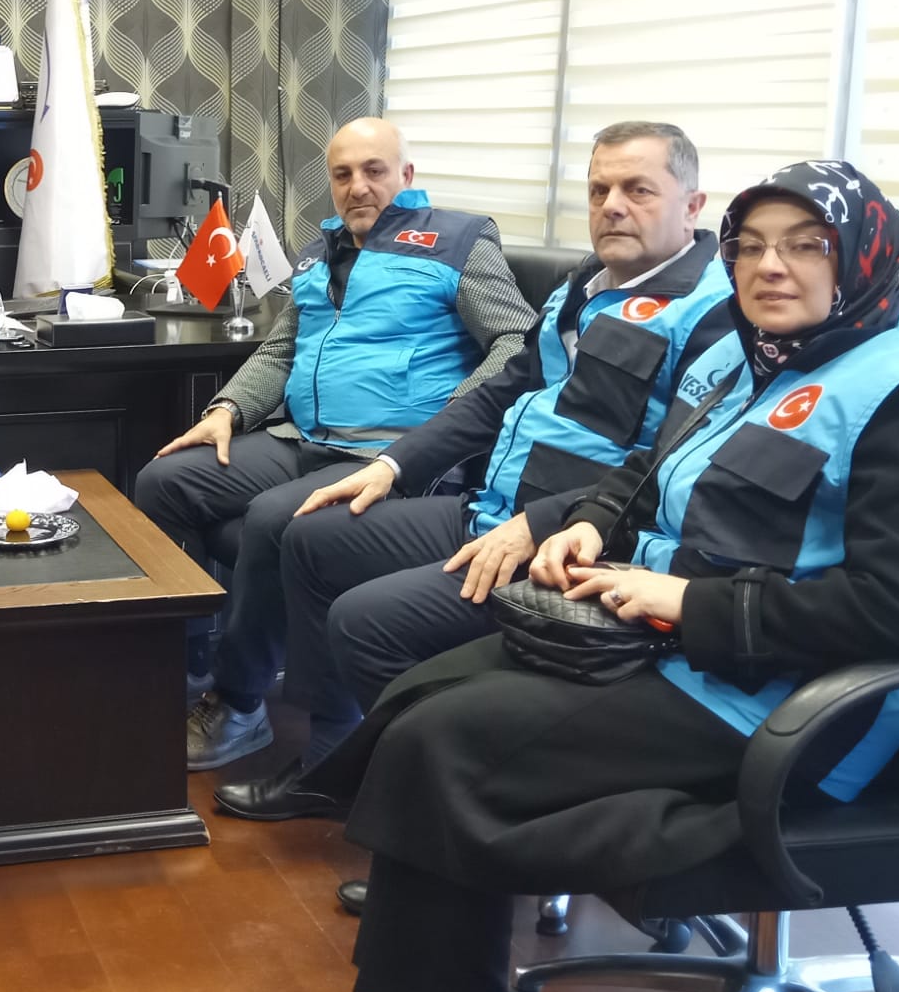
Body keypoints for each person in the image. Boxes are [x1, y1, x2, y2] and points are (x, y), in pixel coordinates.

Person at [307, 160, 899, 992]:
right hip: (669, 649)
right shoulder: (750, 353)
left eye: (805, 246)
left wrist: (690, 601)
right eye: (751, 248)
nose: (770, 267)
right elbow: (647, 470)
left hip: (793, 704)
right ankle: (421, 990)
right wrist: (591, 524)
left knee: (449, 742)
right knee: (421, 697)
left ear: (860, 256)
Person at [215, 123, 733, 820]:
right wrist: (393, 466)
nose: (612, 205)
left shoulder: (715, 316)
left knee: (363, 621)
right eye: (599, 189)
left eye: (638, 190)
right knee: (309, 535)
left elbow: (673, 469)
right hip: (492, 506)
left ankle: (416, 804)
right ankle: (332, 758)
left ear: (692, 206)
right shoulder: (587, 285)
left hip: (574, 545)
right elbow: (502, 390)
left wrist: (540, 523)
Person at [131, 117, 538, 771]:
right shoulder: (318, 254)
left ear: (406, 175)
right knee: (165, 480)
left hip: (389, 457)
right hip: (302, 439)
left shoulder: (459, 240)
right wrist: (227, 409)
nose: (357, 187)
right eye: (343, 174)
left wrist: (448, 425)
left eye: (374, 171)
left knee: (273, 517)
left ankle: (239, 704)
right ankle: (189, 665)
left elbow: (517, 343)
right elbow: (281, 348)